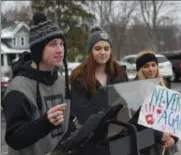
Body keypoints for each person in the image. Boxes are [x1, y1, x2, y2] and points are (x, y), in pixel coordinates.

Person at [1, 12, 72, 155]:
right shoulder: (19, 89)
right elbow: (14, 138)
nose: (60, 50)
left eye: (62, 44)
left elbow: (70, 125)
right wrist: (45, 123)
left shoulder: (62, 82)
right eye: (53, 44)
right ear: (38, 50)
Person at [70, 26, 128, 125]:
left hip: (119, 130)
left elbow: (128, 104)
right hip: (93, 134)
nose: (102, 52)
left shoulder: (120, 73)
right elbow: (82, 115)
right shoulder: (79, 77)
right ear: (90, 51)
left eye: (106, 49)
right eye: (97, 49)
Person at [129, 50, 178, 155]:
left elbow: (175, 118)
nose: (151, 69)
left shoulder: (163, 86)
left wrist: (173, 138)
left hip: (166, 146)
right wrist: (159, 135)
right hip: (145, 148)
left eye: (153, 65)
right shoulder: (133, 90)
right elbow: (133, 123)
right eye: (146, 66)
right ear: (140, 69)